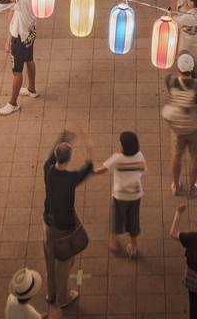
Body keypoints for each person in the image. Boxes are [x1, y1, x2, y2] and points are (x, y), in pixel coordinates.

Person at [41, 133, 93, 312]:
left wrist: (63, 138)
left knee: (49, 258)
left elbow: (50, 156)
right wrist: (88, 146)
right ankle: (63, 298)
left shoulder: (47, 169)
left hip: (47, 223)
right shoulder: (71, 179)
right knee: (63, 263)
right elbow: (88, 167)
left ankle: (51, 292)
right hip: (63, 229)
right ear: (69, 160)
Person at [96, 129, 146, 259]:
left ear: (123, 145)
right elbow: (143, 169)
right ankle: (133, 246)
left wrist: (90, 170)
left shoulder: (117, 158)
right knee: (133, 219)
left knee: (117, 217)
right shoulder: (140, 156)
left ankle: (114, 242)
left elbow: (102, 170)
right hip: (135, 195)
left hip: (120, 196)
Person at [163, 56, 197, 197]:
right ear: (192, 68)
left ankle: (176, 186)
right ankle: (192, 187)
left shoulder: (170, 80)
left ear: (178, 68)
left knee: (176, 156)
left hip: (177, 128)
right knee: (195, 157)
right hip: (194, 127)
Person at [0, 0, 38, 115]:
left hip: (19, 40)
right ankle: (32, 89)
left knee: (17, 72)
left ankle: (13, 103)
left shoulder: (25, 1)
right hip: (30, 34)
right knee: (29, 60)